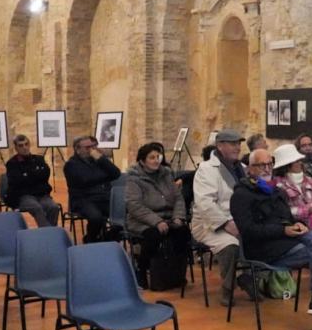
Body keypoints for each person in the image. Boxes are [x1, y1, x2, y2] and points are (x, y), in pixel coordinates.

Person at [231, 148, 312, 315]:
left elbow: (286, 217)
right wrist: (284, 230)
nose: (266, 168)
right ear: (250, 169)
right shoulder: (241, 195)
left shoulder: (275, 191)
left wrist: (298, 224)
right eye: (261, 165)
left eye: (269, 164)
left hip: (286, 239)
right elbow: (249, 230)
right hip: (264, 249)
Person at [191, 129, 247, 306]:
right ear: (220, 146)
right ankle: (228, 288)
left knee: (260, 237)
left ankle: (249, 278)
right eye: (233, 144)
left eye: (239, 144)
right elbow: (205, 203)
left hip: (238, 221)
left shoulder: (242, 169)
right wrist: (225, 223)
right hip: (208, 225)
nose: (237, 147)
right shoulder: (206, 170)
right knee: (230, 245)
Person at [125, 142, 190, 289]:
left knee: (183, 232)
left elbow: (178, 198)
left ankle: (175, 271)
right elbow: (135, 206)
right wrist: (157, 221)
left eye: (158, 157)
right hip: (143, 220)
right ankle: (142, 269)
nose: (156, 160)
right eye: (151, 158)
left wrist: (178, 217)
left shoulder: (166, 174)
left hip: (168, 218)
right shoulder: (134, 179)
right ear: (142, 161)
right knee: (153, 235)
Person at [64, 135, 122, 243]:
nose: (91, 150)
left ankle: (106, 238)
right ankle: (91, 240)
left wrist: (101, 159)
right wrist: (104, 176)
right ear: (77, 149)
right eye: (87, 148)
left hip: (103, 196)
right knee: (96, 218)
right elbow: (85, 179)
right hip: (83, 199)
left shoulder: (98, 160)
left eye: (93, 147)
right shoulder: (71, 165)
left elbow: (116, 173)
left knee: (123, 212)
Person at [5, 134, 60, 227]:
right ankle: (48, 234)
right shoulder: (12, 163)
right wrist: (35, 174)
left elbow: (45, 175)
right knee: (36, 208)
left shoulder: (39, 159)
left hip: (42, 195)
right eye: (21, 146)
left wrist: (27, 175)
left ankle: (48, 232)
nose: (25, 148)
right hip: (23, 196)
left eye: (26, 144)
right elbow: (18, 182)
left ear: (29, 145)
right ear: (16, 148)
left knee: (53, 207)